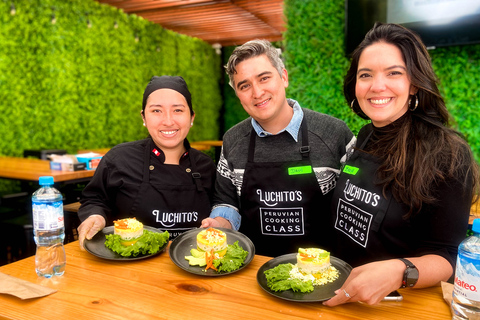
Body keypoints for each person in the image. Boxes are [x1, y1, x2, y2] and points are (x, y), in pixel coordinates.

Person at [324, 23, 479, 307]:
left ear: (415, 83)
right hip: (337, 291)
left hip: (395, 305)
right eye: (365, 75)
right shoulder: (367, 134)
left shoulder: (449, 154)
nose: (376, 86)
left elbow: (446, 255)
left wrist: (399, 271)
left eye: (394, 73)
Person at [201, 39, 355, 257]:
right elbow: (227, 202)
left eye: (264, 78)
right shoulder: (233, 140)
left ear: (283, 77)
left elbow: (354, 205)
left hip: (322, 272)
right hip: (254, 268)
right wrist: (219, 223)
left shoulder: (334, 133)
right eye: (244, 85)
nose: (257, 92)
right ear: (237, 93)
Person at [77, 75, 216, 248]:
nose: (168, 121)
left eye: (178, 110)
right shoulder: (119, 159)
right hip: (132, 267)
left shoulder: (206, 166)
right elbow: (94, 199)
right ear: (143, 117)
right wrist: (95, 216)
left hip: (191, 267)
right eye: (156, 110)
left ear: (192, 117)